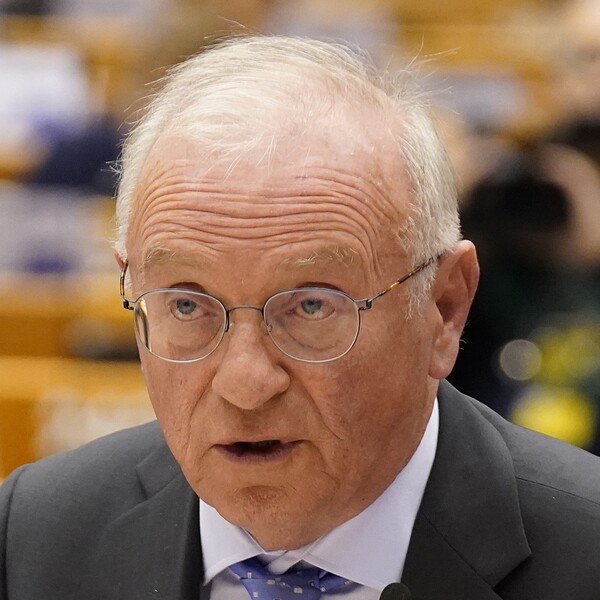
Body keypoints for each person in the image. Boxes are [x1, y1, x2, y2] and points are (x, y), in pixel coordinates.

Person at [1, 36, 600, 600]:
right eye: (186, 304)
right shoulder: (31, 536)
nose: (245, 383)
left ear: (443, 309)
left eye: (312, 305)